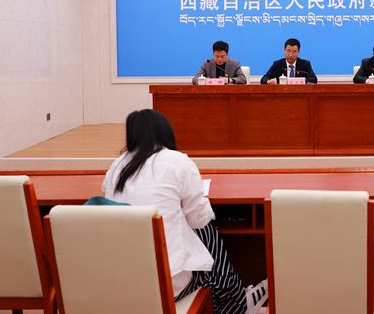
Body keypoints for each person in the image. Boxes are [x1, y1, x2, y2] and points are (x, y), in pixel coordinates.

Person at [102, 109, 267, 313]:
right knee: (205, 231)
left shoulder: (116, 167)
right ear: (165, 132)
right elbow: (200, 218)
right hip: (167, 287)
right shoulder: (177, 161)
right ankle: (237, 304)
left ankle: (236, 301)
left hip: (122, 284)